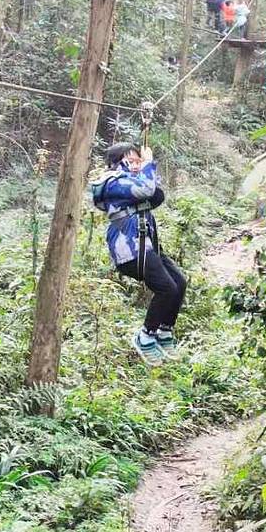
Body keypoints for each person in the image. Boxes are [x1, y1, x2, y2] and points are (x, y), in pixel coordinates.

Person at [91, 142, 186, 367]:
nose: (136, 165)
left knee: (179, 283)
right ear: (116, 163)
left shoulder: (134, 179)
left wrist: (146, 168)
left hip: (147, 244)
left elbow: (156, 193)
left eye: (137, 161)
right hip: (130, 248)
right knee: (166, 288)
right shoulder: (113, 182)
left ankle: (164, 331)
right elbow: (146, 190)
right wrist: (148, 164)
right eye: (131, 161)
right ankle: (145, 336)